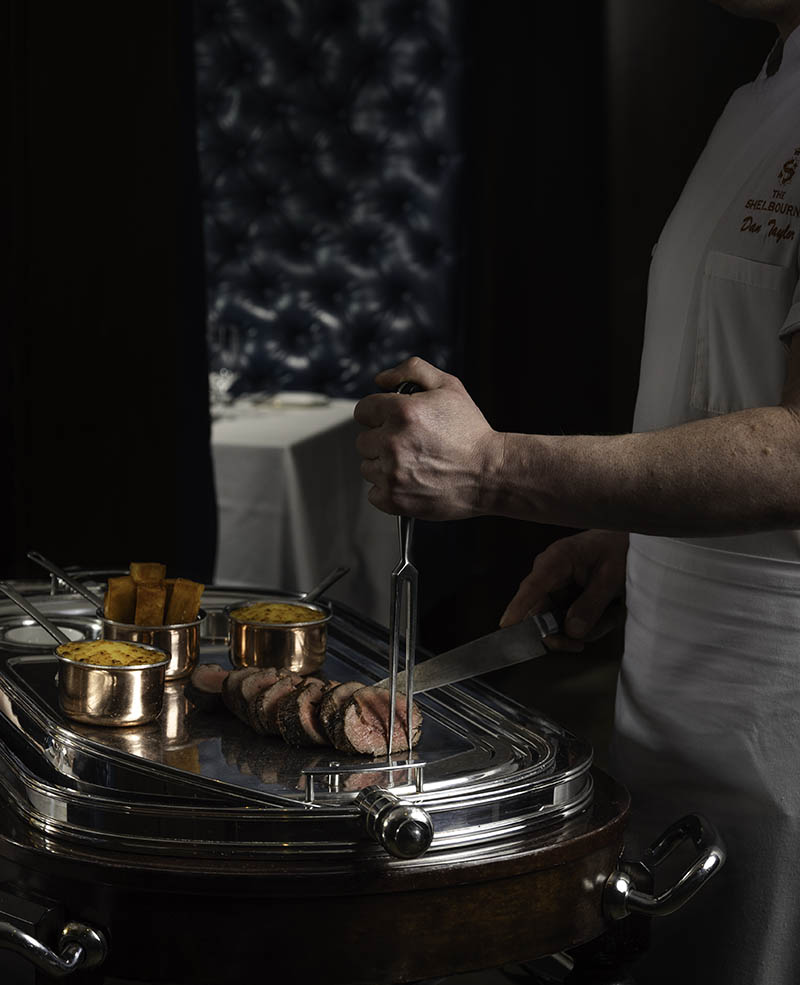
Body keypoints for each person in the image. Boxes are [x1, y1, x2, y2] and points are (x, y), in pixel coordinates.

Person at [353, 4, 800, 983]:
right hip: (669, 707)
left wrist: (492, 467)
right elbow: (724, 383)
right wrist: (639, 534)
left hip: (780, 724)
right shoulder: (765, 90)